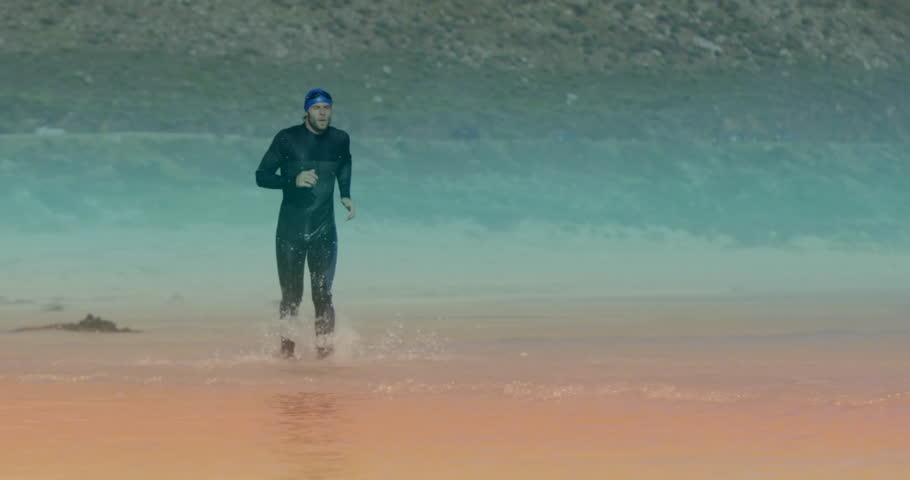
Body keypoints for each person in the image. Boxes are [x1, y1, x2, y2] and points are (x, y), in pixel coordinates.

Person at [255, 88, 355, 360]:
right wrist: (293, 180)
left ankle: (326, 355)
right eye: (317, 107)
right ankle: (287, 354)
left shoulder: (340, 139)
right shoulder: (287, 139)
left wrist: (345, 193)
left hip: (324, 229)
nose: (323, 112)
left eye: (327, 107)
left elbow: (344, 163)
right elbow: (261, 176)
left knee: (323, 293)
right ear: (307, 111)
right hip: (290, 230)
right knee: (291, 296)